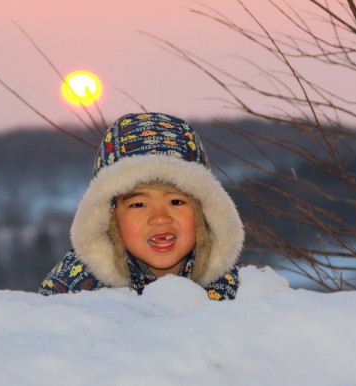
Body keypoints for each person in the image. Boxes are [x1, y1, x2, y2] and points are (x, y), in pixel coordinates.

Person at [39, 112, 244, 300]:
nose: (160, 217)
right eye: (138, 204)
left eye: (176, 202)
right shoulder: (75, 288)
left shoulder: (233, 286)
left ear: (203, 211)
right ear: (110, 217)